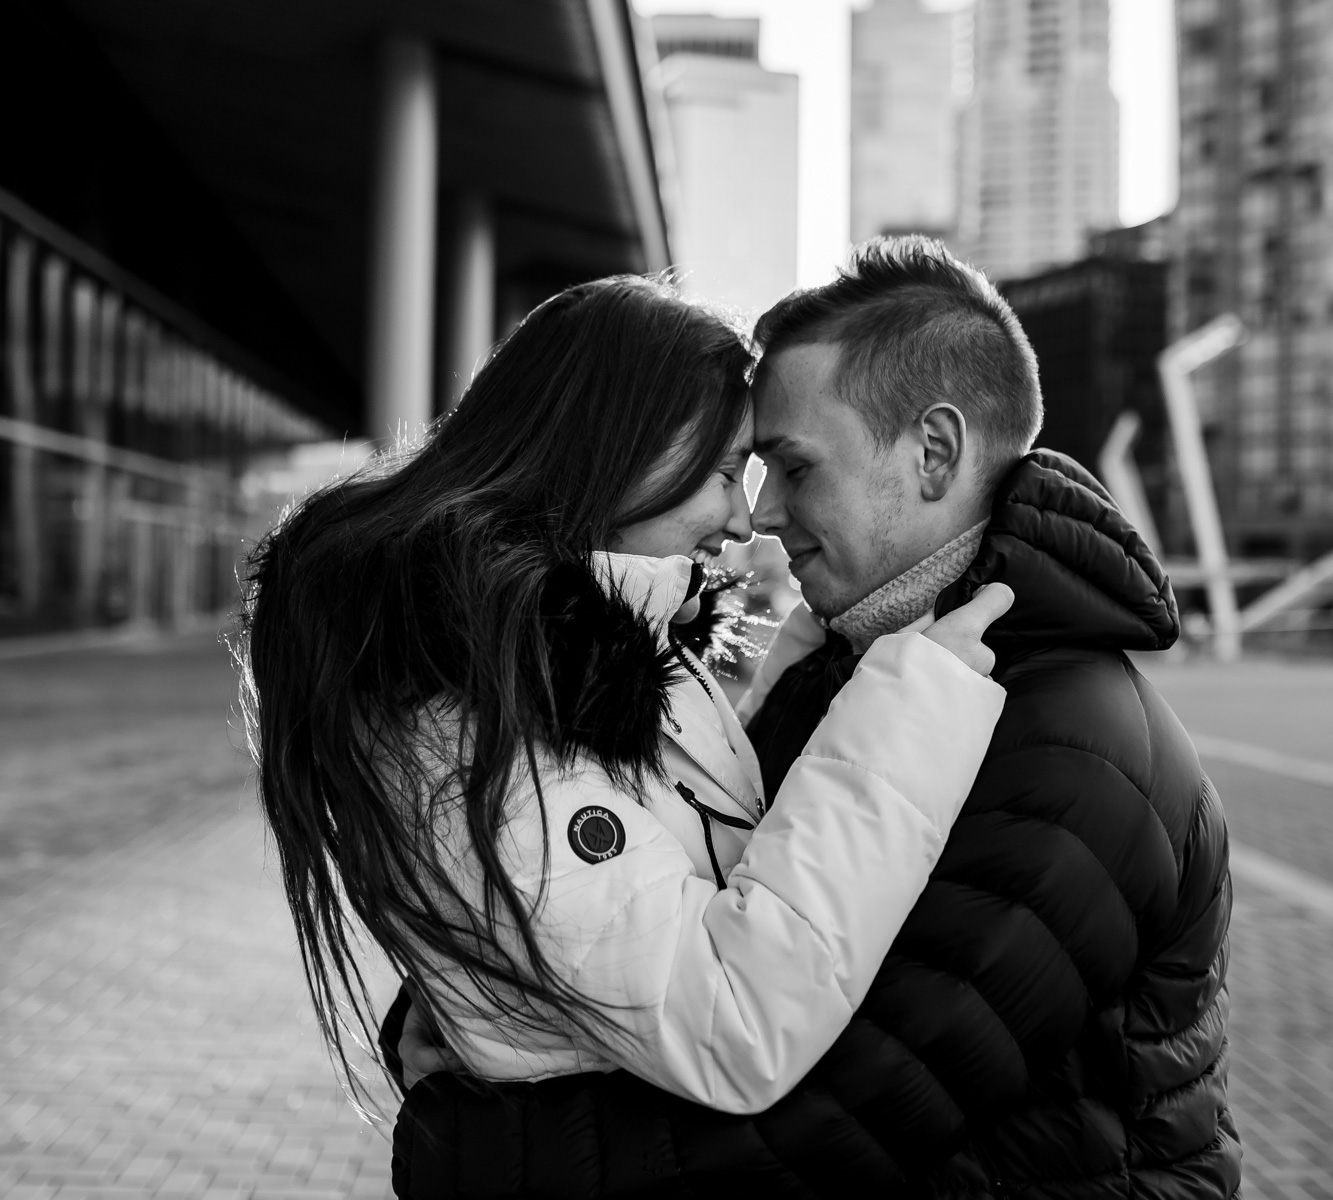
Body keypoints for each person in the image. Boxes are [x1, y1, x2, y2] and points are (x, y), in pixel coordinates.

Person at [390, 238, 1242, 1200]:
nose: (761, 516)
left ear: (934, 452)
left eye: (792, 467)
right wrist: (485, 985)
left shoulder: (1067, 753)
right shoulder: (859, 669)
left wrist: (470, 1140)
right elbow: (695, 899)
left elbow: (842, 1123)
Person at [237, 275, 1013, 1129]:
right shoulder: (459, 707)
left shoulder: (594, 642)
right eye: (725, 471)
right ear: (611, 448)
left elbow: (670, 880)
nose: (744, 517)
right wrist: (908, 718)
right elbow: (736, 1023)